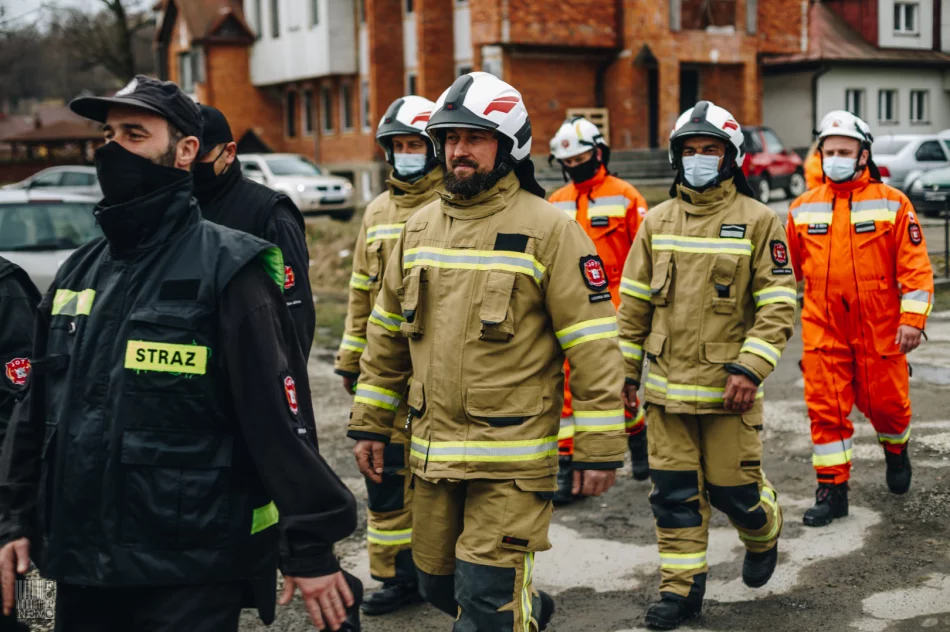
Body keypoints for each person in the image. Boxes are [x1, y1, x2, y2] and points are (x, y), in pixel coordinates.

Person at [0, 75, 360, 632]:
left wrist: (309, 545)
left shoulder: (230, 268)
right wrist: (14, 516)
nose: (114, 148)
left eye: (135, 133)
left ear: (186, 150)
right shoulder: (79, 270)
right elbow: (34, 408)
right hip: (81, 560)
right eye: (109, 133)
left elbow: (277, 420)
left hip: (189, 565)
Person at [347, 72, 627, 632]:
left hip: (512, 460)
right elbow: (385, 339)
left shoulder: (550, 230)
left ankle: (506, 611)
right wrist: (370, 424)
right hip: (432, 454)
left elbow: (594, 348)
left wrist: (598, 447)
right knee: (435, 581)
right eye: (449, 139)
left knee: (483, 604)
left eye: (475, 138)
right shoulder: (418, 228)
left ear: (510, 144)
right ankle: (524, 609)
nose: (459, 151)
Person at [618, 101, 796, 630]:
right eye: (689, 151)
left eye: (709, 150)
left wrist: (750, 367)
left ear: (730, 157)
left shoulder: (759, 221)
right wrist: (625, 375)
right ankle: (681, 593)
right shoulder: (656, 221)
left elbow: (779, 302)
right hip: (666, 396)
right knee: (673, 498)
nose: (698, 159)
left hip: (729, 394)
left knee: (735, 494)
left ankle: (764, 530)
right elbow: (632, 307)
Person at [787, 110, 933, 527]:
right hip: (823, 323)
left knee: (887, 405)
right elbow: (784, 272)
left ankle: (896, 447)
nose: (835, 157)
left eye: (844, 151)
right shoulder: (802, 209)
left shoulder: (892, 203)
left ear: (862, 154)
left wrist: (913, 318)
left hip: (881, 324)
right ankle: (832, 491)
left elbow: (916, 268)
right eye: (828, 151)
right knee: (825, 408)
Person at [334, 95, 443, 616]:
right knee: (384, 481)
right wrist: (350, 361)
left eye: (414, 145)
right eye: (397, 146)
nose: (406, 155)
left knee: (441, 481)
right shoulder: (377, 212)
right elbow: (361, 293)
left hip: (437, 372)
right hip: (384, 375)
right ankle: (397, 577)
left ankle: (446, 574)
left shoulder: (453, 203)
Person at [548, 116, 650, 504]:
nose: (576, 165)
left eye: (583, 157)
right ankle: (568, 469)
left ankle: (637, 438)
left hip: (616, 310)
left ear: (600, 152)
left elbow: (643, 259)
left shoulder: (626, 196)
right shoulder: (555, 203)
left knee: (616, 389)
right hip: (569, 310)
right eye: (569, 161)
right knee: (568, 393)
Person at [193, 104, 315, 359]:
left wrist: (283, 387)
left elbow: (294, 314)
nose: (191, 163)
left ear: (229, 153)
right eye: (185, 152)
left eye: (200, 155)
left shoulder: (269, 213)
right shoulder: (176, 207)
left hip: (250, 371)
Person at [0, 257, 39, 632]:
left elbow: (22, 406)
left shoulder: (6, 287)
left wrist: (11, 516)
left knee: (21, 611)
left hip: (3, 499)